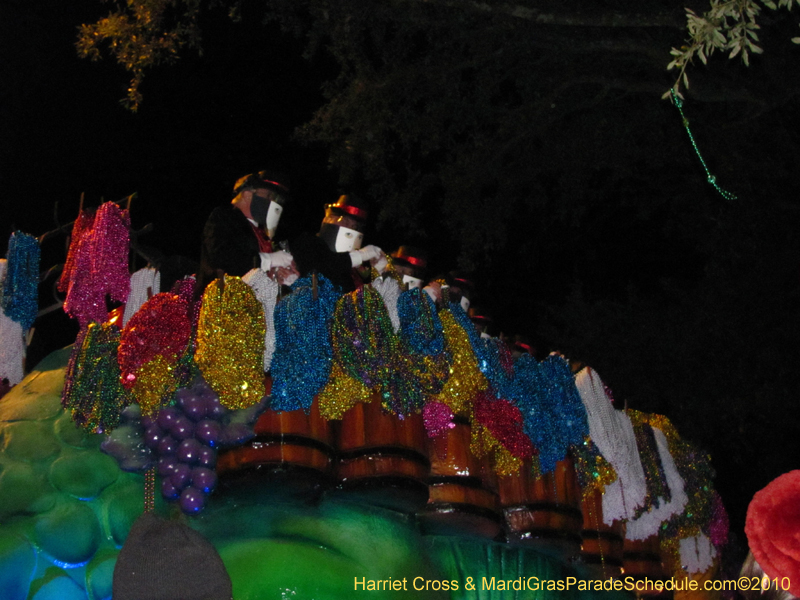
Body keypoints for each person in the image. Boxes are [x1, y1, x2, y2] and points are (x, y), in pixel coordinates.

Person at [198, 170, 293, 294]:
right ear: (247, 194)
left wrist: (285, 278)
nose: (274, 202)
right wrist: (266, 260)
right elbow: (221, 259)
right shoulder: (224, 217)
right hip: (225, 304)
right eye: (269, 196)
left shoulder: (264, 234)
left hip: (258, 306)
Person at [290, 194, 384, 292]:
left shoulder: (352, 271)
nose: (348, 227)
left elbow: (365, 298)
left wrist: (378, 272)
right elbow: (321, 267)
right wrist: (358, 256)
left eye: (354, 226)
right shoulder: (308, 242)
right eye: (344, 220)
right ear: (328, 219)